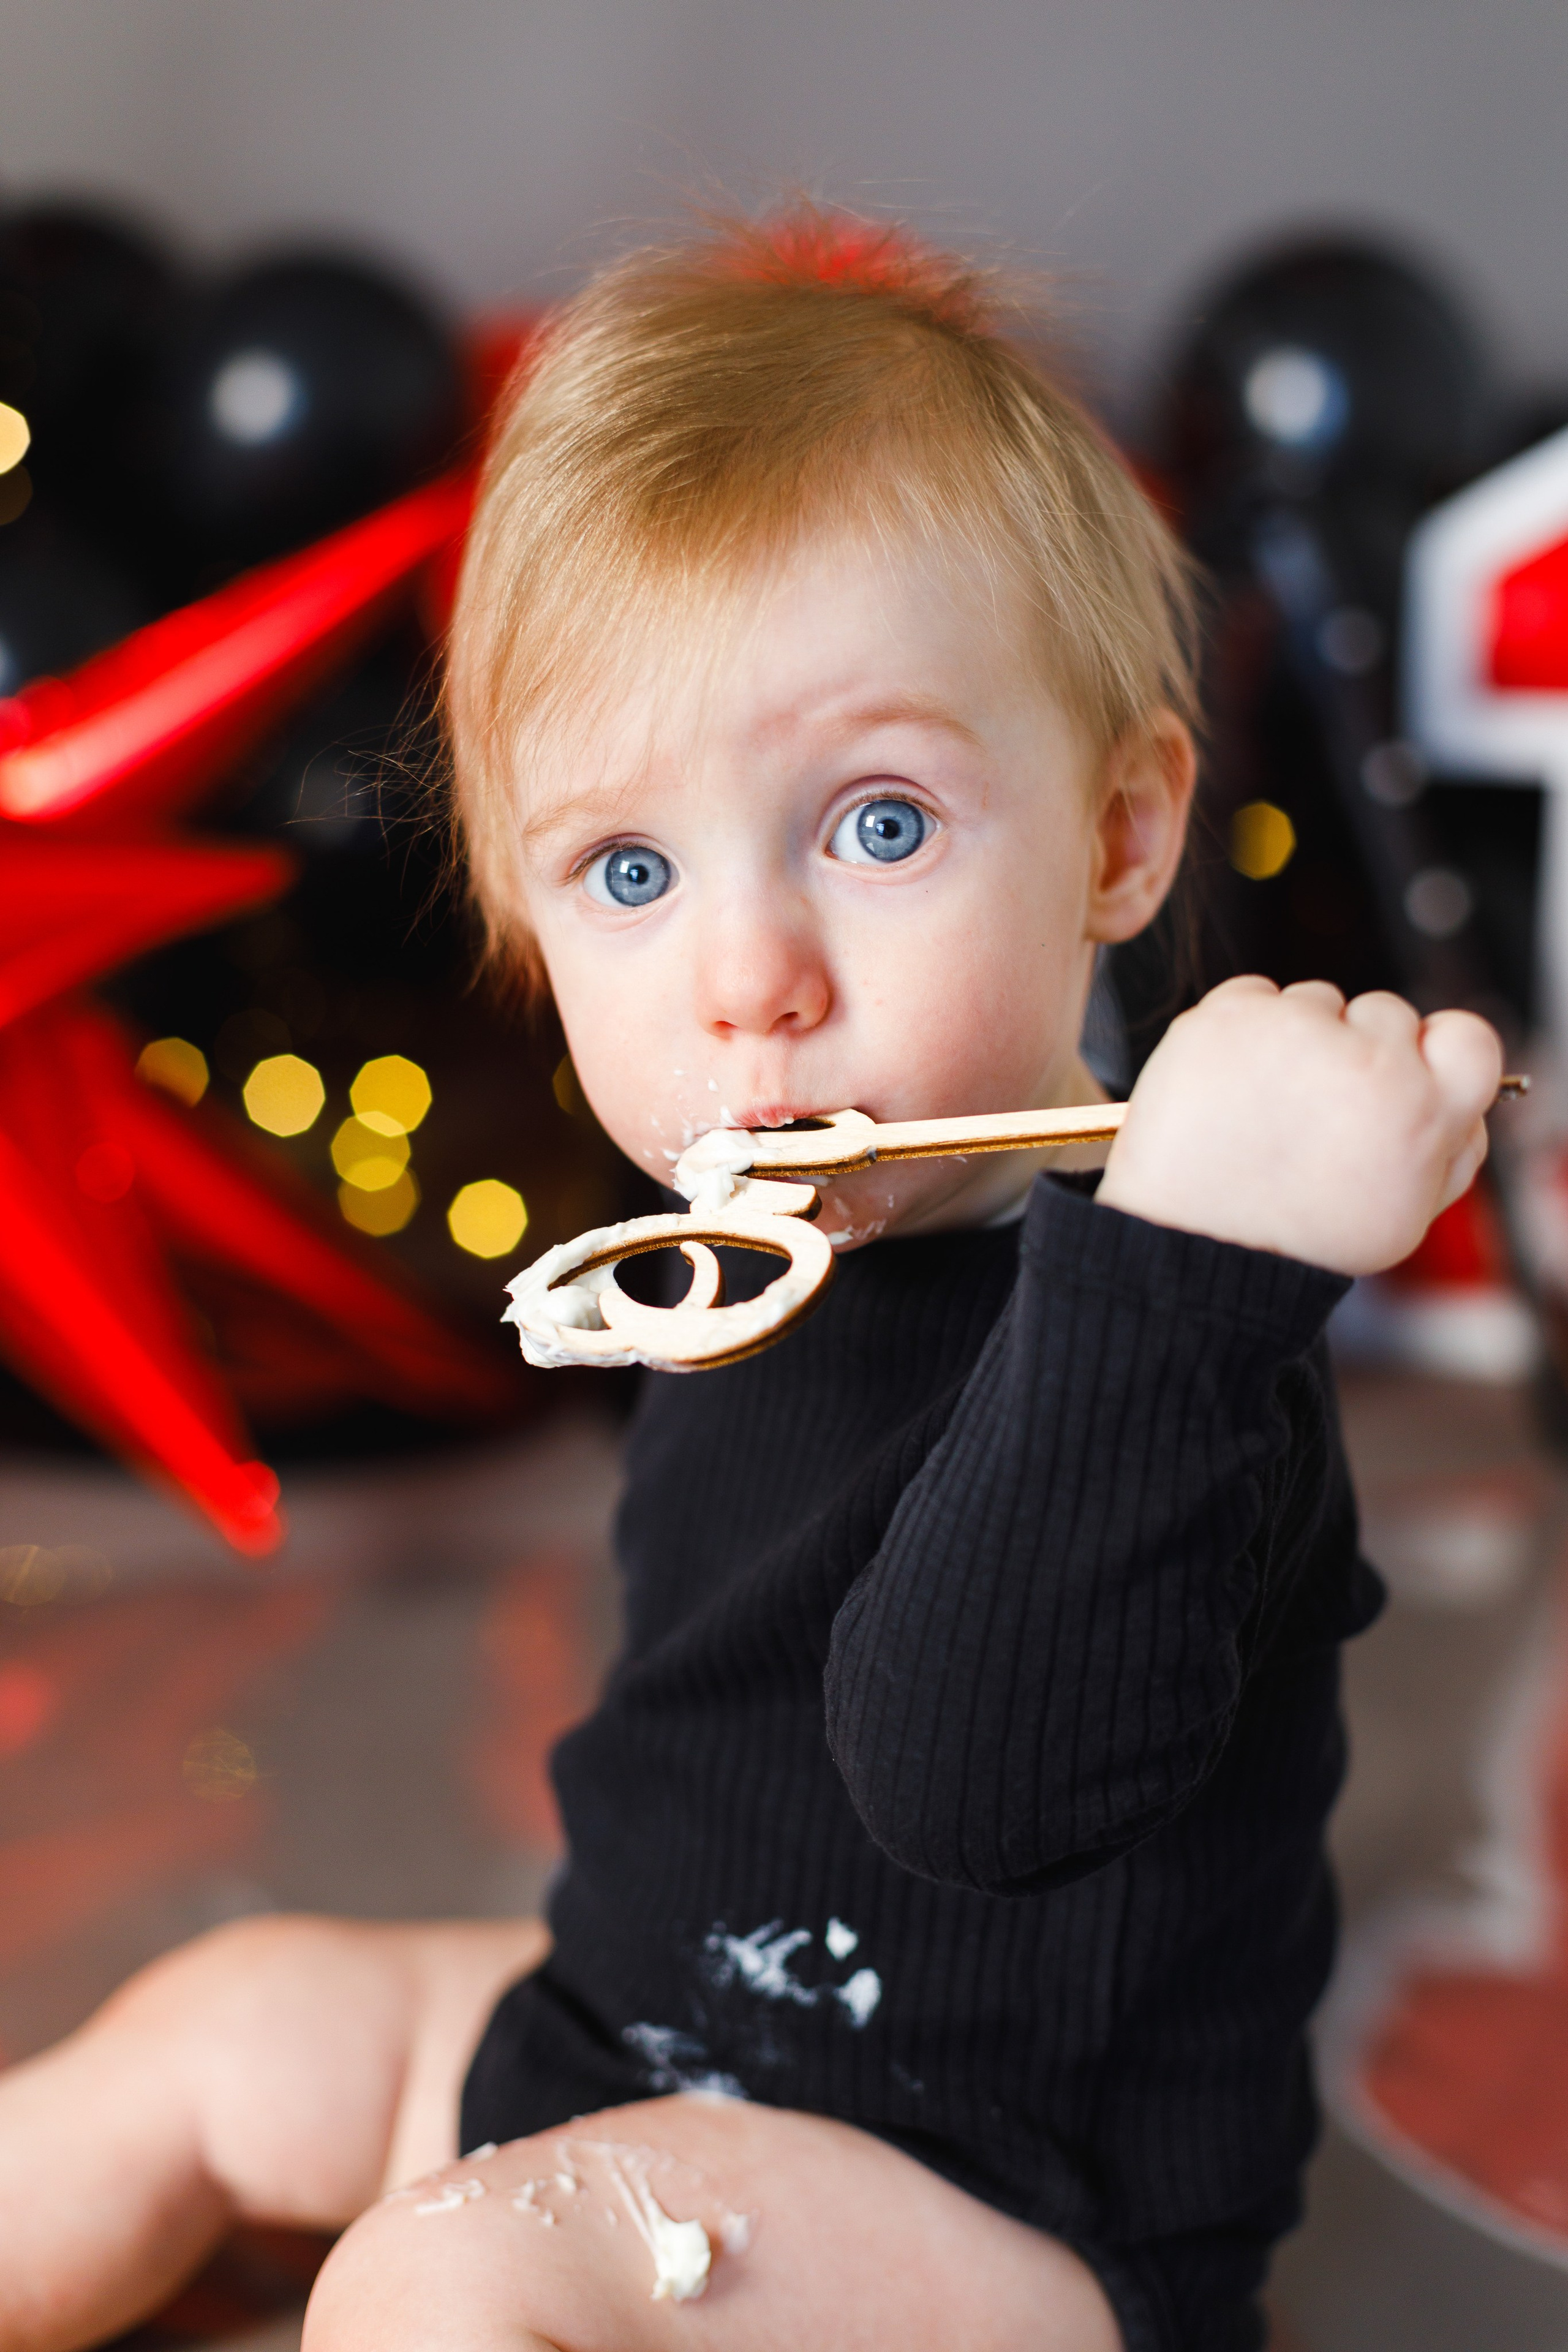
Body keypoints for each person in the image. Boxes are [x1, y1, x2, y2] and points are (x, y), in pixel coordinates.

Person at [0, 208, 1502, 2352]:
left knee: (438, 2275)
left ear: (1119, 840)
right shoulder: (732, 1263)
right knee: (225, 2029)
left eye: (877, 825)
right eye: (628, 871)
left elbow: (966, 1782)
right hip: (650, 2044)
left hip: (994, 2211)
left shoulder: (1187, 1333)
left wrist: (1194, 1262)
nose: (748, 983)